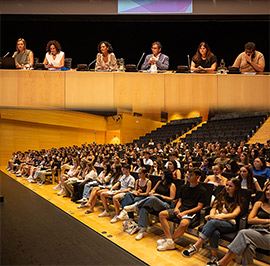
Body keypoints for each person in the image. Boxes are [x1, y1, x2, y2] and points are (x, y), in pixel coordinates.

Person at [182, 178, 243, 266]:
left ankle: (196, 246)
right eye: (227, 185)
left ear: (236, 188)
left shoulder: (239, 200)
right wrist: (211, 215)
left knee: (213, 223)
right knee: (215, 233)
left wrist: (216, 217)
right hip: (216, 221)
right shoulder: (221, 195)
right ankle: (214, 257)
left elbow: (233, 215)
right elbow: (213, 208)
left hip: (229, 224)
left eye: (230, 186)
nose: (227, 187)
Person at [215, 181, 270, 266]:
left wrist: (258, 219)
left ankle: (222, 263)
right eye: (267, 190)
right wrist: (267, 221)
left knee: (243, 233)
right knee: (248, 246)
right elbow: (250, 220)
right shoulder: (259, 203)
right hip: (256, 231)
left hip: (268, 235)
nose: (268, 192)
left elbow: (254, 219)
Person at [157, 168, 206, 251]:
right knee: (162, 214)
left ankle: (170, 241)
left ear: (197, 177)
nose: (188, 176)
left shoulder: (202, 190)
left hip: (192, 212)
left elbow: (199, 207)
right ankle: (169, 240)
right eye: (188, 174)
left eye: (191, 175)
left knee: (183, 224)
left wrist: (185, 213)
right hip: (181, 209)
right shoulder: (183, 187)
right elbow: (179, 201)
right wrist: (176, 208)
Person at [124, 169, 176, 240]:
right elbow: (152, 190)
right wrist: (152, 193)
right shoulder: (159, 182)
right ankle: (142, 230)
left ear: (167, 175)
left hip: (165, 204)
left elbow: (172, 198)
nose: (161, 175)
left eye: (162, 174)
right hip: (154, 202)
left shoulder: (172, 185)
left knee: (153, 198)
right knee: (144, 208)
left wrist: (159, 195)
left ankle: (136, 206)